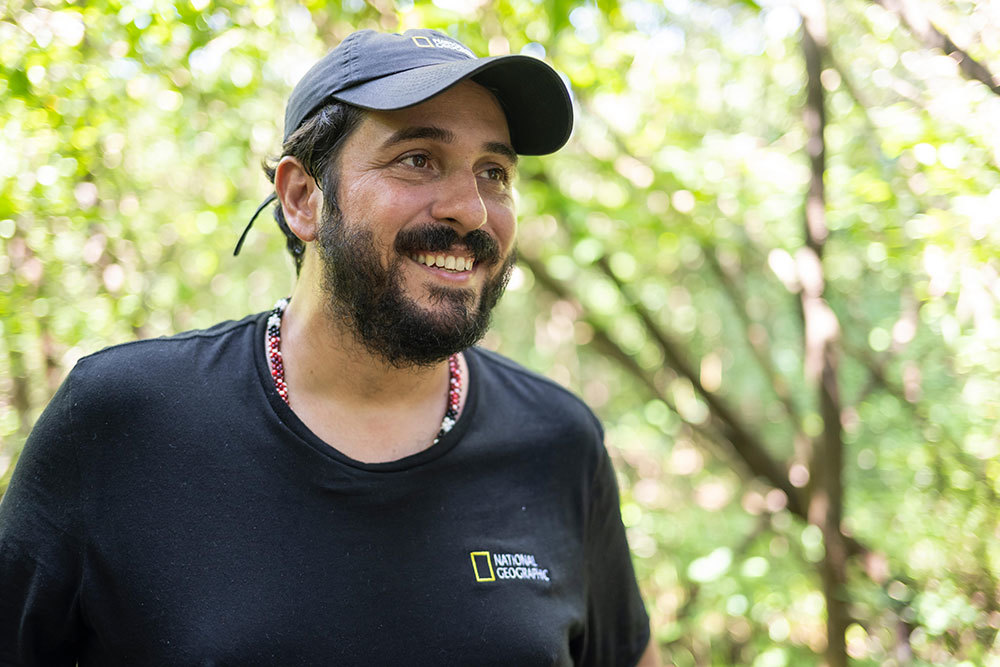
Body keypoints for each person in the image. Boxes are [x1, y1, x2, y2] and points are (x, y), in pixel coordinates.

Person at [0, 28, 657, 666]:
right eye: (418, 159)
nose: (472, 209)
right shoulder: (122, 419)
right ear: (302, 197)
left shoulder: (560, 442)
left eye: (494, 171)